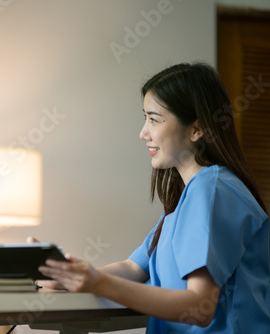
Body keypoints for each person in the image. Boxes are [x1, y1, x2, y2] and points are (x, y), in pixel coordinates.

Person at [37, 62, 270, 333]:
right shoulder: (183, 204)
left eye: (154, 119)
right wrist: (66, 274)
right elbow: (133, 268)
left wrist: (96, 283)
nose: (143, 132)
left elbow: (199, 306)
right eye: (145, 118)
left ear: (197, 129)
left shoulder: (213, 189)